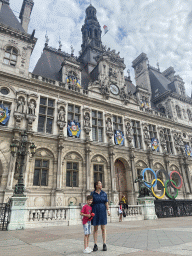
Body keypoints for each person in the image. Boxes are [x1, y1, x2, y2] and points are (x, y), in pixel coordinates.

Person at [91, 181, 110, 252]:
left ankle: (104, 244)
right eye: (99, 184)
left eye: (101, 184)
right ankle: (95, 244)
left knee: (103, 228)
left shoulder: (104, 193)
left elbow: (106, 202)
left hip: (102, 211)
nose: (101, 185)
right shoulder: (92, 193)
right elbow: (90, 202)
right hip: (95, 211)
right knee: (95, 228)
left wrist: (108, 210)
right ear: (96, 185)